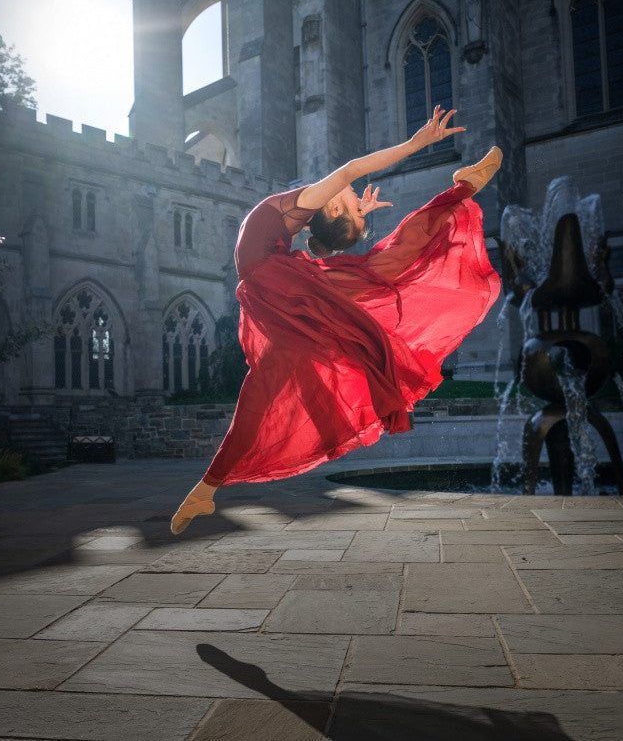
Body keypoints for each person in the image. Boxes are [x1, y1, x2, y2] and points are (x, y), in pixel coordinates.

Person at [171, 106, 502, 533]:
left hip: (273, 288)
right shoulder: (305, 210)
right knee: (372, 278)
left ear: (333, 207)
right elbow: (326, 242)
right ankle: (213, 485)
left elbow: (350, 169)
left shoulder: (307, 202)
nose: (353, 196)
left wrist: (416, 144)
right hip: (274, 288)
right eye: (358, 208)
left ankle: (205, 489)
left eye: (353, 208)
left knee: (270, 381)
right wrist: (350, 213)